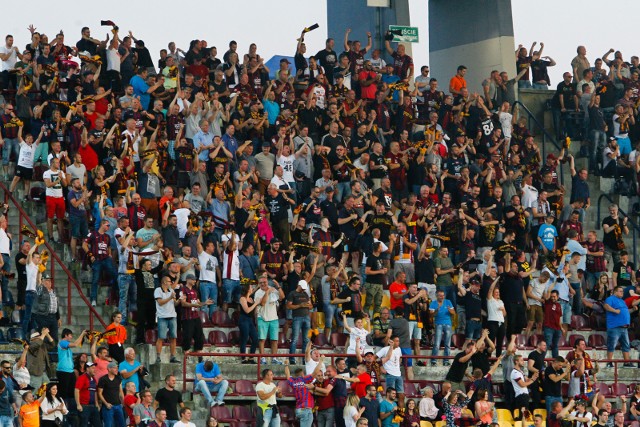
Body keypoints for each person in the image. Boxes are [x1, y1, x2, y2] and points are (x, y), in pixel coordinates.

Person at [254, 273, 285, 364]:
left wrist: (278, 286)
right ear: (259, 284)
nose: (263, 284)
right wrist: (267, 292)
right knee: (262, 340)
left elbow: (282, 297)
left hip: (274, 318)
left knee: (274, 340)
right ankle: (262, 358)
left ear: (267, 282)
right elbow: (262, 303)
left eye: (265, 282)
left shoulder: (273, 289)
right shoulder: (258, 293)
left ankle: (274, 359)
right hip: (262, 318)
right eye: (261, 283)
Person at [284, 358, 323, 427]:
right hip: (306, 410)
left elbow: (287, 376)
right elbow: (315, 372)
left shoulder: (293, 382)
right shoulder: (305, 380)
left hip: (298, 410)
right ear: (302, 374)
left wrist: (286, 365)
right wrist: (321, 361)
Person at [604, 286, 633, 367]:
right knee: (612, 345)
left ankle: (626, 362)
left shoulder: (622, 301)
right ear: (615, 292)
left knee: (626, 345)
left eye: (622, 291)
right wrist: (615, 310)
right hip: (614, 326)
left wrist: (633, 309)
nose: (622, 293)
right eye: (620, 291)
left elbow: (625, 311)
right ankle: (609, 362)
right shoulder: (610, 299)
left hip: (624, 328)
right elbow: (606, 306)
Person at [154, 275, 181, 364]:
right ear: (165, 282)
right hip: (162, 317)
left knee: (173, 337)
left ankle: (172, 357)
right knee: (161, 337)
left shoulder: (172, 291)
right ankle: (158, 357)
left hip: (172, 316)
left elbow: (175, 304)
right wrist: (170, 297)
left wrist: (180, 300)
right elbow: (160, 302)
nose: (171, 283)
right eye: (170, 281)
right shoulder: (158, 290)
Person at [57, 328, 87, 400]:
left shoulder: (67, 347)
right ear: (66, 335)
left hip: (70, 371)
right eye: (70, 335)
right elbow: (75, 344)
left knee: (72, 391)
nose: (71, 337)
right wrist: (82, 334)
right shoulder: (62, 342)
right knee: (63, 392)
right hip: (63, 371)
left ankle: (71, 408)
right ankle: (63, 408)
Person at [429, 289, 455, 366]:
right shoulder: (433, 303)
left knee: (447, 344)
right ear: (436, 296)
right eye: (440, 295)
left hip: (448, 323)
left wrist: (450, 310)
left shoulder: (448, 302)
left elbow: (453, 313)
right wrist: (436, 311)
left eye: (443, 295)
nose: (442, 297)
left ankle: (446, 360)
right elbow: (431, 315)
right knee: (437, 343)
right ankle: (434, 360)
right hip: (438, 324)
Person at [97, 361, 125, 427]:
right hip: (108, 406)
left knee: (121, 424)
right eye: (114, 368)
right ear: (109, 369)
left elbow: (120, 392)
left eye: (117, 368)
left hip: (118, 405)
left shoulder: (118, 379)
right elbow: (99, 393)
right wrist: (106, 403)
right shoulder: (103, 379)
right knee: (108, 425)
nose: (117, 370)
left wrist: (123, 403)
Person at [511, 354, 538, 420]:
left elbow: (527, 380)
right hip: (521, 396)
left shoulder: (520, 371)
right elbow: (522, 384)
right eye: (521, 360)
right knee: (524, 415)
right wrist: (532, 380)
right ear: (516, 361)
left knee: (525, 415)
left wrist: (534, 376)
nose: (523, 362)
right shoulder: (515, 373)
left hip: (524, 396)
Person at [75, 362, 102, 427]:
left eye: (94, 368)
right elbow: (76, 390)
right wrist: (78, 404)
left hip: (93, 406)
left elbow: (94, 391)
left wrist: (97, 403)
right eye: (92, 368)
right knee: (84, 425)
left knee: (98, 424)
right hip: (84, 406)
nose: (94, 370)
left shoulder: (94, 379)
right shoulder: (82, 378)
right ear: (87, 369)